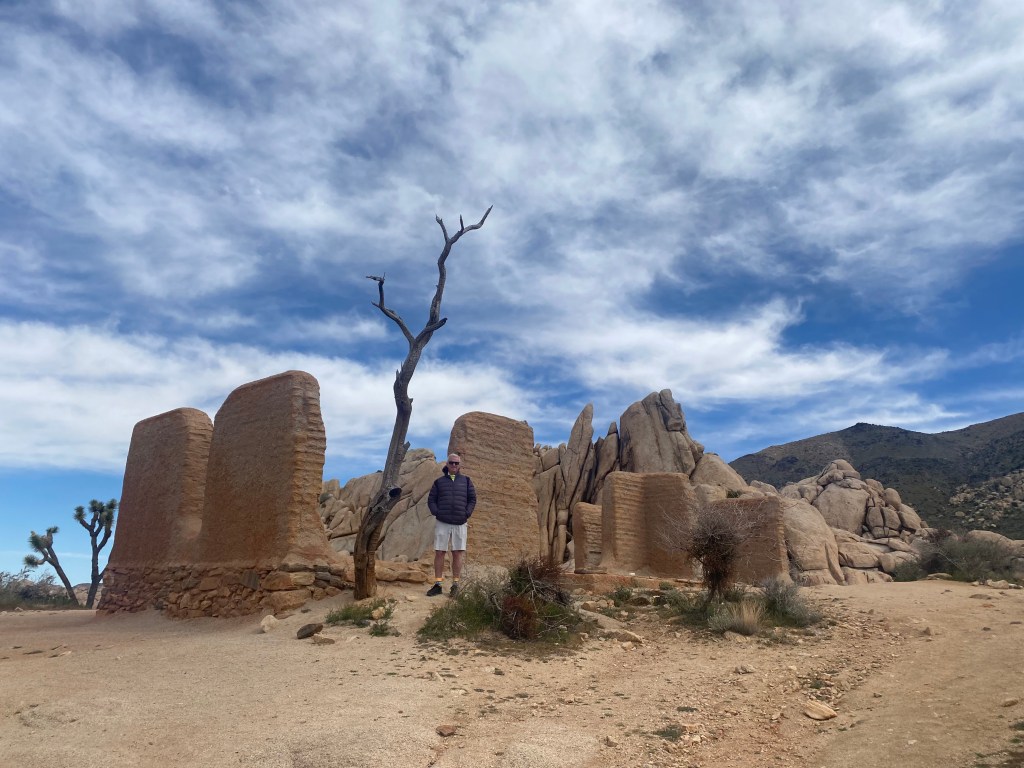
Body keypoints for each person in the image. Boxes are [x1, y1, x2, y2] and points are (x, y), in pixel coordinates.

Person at [426, 453, 476, 596]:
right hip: (443, 522)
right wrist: (437, 512)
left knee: (457, 553)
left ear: (460, 465)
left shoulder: (466, 481)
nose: (454, 465)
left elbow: (472, 499)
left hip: (460, 522)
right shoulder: (439, 482)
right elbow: (431, 500)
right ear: (447, 464)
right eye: (451, 462)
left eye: (456, 463)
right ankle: (438, 584)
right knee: (440, 552)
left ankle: (455, 585)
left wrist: (466, 513)